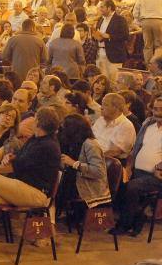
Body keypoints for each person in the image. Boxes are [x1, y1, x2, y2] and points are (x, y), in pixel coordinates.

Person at [0, 107, 62, 253]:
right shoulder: (36, 138)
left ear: (38, 122)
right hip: (20, 188)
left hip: (36, 194)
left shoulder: (47, 145)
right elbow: (19, 158)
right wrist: (10, 156)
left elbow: (14, 168)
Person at [112, 95, 162, 236]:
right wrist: (127, 168)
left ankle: (125, 225)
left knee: (133, 187)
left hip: (157, 176)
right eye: (155, 109)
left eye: (161, 110)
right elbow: (135, 149)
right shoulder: (148, 124)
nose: (158, 113)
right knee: (119, 181)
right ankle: (137, 217)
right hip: (138, 171)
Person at [56, 114, 111, 224]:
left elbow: (98, 172)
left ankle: (51, 217)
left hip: (89, 185)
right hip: (76, 180)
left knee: (54, 188)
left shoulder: (90, 144)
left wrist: (74, 163)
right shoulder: (74, 143)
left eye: (64, 127)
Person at [93, 0, 129, 83]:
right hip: (100, 53)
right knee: (101, 81)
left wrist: (109, 36)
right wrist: (96, 36)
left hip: (114, 55)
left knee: (113, 81)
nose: (100, 9)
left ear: (109, 8)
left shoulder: (120, 19)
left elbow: (125, 36)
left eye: (102, 7)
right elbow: (100, 35)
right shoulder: (101, 19)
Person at [91, 93, 136, 160]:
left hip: (109, 163)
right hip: (92, 158)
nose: (101, 107)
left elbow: (115, 152)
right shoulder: (100, 120)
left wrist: (93, 158)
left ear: (116, 108)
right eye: (102, 104)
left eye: (105, 105)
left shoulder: (126, 126)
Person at [133, 0, 162, 64]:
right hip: (159, 21)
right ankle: (159, 66)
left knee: (147, 46)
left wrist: (140, 22)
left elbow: (135, 12)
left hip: (146, 21)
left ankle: (149, 67)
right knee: (159, 45)